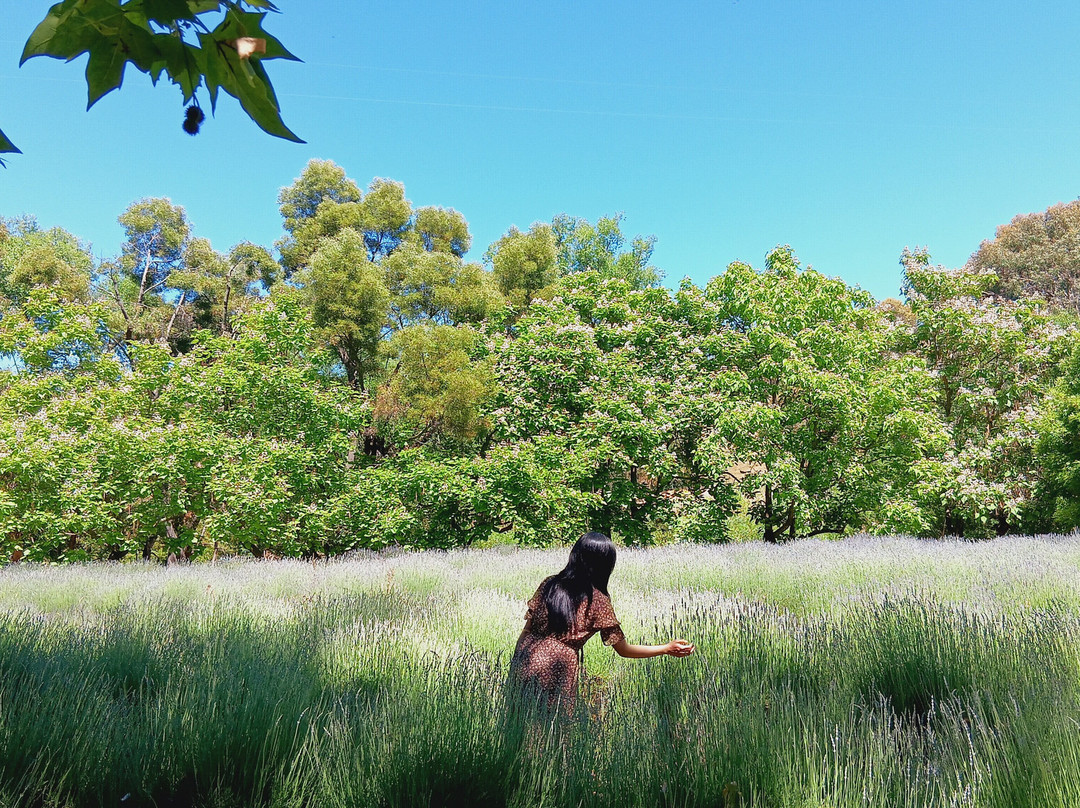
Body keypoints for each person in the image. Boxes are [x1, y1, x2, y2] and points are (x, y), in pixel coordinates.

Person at [508, 531, 694, 713]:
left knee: (518, 723)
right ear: (605, 565)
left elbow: (527, 630)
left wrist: (518, 660)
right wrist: (665, 648)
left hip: (526, 655)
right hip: (558, 666)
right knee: (552, 732)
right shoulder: (597, 600)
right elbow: (624, 650)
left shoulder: (550, 584)